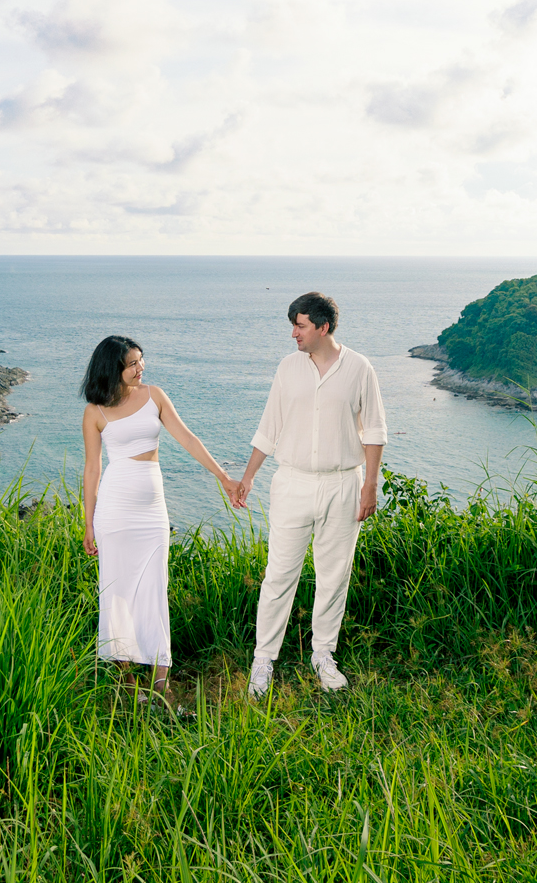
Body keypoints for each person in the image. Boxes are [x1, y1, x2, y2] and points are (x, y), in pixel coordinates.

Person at [232, 291, 388, 696]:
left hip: (343, 484)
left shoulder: (359, 368)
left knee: (334, 575)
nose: (293, 334)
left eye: (300, 326)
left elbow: (373, 430)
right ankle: (263, 659)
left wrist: (370, 485)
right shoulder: (288, 368)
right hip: (293, 482)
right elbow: (271, 425)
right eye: (293, 326)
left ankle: (323, 655)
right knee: (279, 574)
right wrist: (248, 477)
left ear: (323, 327)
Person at [80, 334, 238, 687]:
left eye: (141, 360)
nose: (140, 368)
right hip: (115, 511)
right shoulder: (95, 412)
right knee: (117, 591)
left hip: (152, 513)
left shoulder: (154, 395)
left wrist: (223, 477)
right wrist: (88, 523)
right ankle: (125, 678)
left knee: (154, 589)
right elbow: (93, 468)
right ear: (113, 368)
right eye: (132, 364)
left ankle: (160, 678)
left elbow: (188, 439)